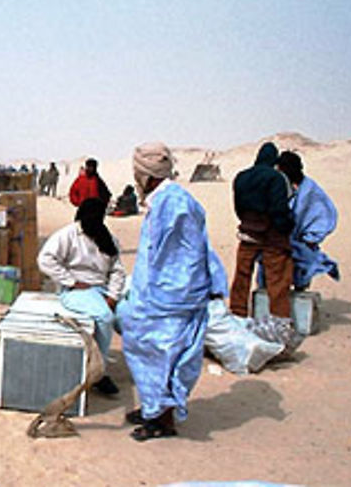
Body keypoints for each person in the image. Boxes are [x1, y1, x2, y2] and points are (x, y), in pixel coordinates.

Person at [119, 142, 227, 441]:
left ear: (143, 175)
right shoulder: (164, 200)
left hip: (171, 297)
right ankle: (152, 408)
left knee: (163, 356)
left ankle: (162, 422)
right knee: (146, 352)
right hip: (158, 295)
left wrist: (169, 292)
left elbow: (189, 253)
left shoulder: (173, 203)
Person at [38, 197, 126, 396]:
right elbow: (45, 260)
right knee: (105, 317)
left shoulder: (107, 238)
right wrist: (70, 281)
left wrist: (112, 296)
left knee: (129, 318)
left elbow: (117, 271)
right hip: (76, 291)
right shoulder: (68, 235)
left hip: (101, 290)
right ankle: (99, 372)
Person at [228, 143, 295, 328]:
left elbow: (238, 207)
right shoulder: (276, 178)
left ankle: (237, 315)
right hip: (271, 236)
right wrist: (285, 227)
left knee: (242, 277)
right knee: (278, 281)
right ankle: (279, 322)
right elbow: (278, 209)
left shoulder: (241, 177)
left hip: (248, 232)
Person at [262, 151, 339, 290]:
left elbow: (324, 216)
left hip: (302, 242)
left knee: (301, 271)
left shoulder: (310, 191)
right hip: (282, 239)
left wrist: (310, 239)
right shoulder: (282, 186)